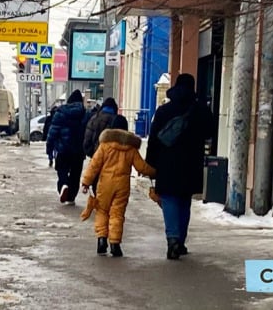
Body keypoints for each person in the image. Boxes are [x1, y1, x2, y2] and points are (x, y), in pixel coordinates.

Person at [145, 73, 214, 260]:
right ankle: (180, 241)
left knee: (169, 200)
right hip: (192, 164)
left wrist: (150, 163)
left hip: (167, 164)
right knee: (184, 201)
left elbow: (153, 139)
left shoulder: (164, 110)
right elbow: (210, 132)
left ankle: (173, 239)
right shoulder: (201, 110)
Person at [80, 115, 155, 257]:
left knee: (102, 211)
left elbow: (94, 165)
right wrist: (154, 172)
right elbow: (141, 167)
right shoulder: (131, 148)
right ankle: (115, 244)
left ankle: (102, 240)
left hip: (105, 185)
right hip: (122, 186)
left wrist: (86, 182)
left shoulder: (105, 146)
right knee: (117, 214)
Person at [45, 90, 87, 205]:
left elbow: (52, 133)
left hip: (63, 149)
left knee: (62, 170)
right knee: (75, 174)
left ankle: (63, 185)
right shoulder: (85, 114)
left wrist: (49, 150)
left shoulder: (60, 112)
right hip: (78, 151)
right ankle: (71, 197)